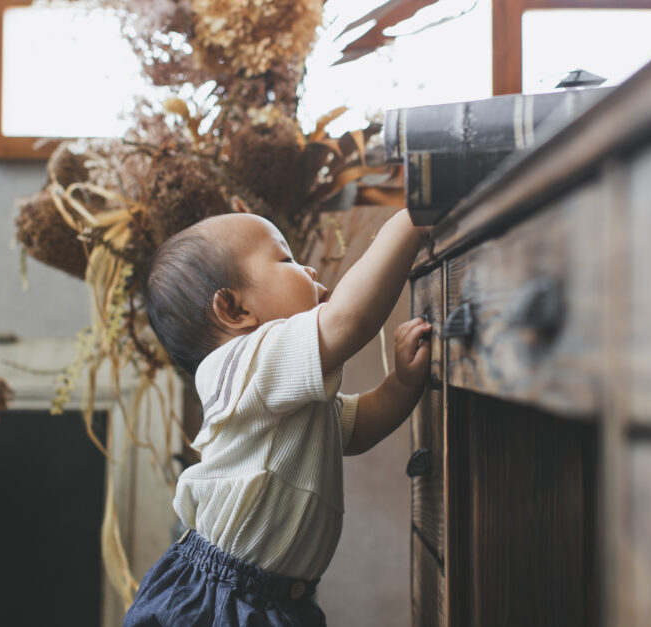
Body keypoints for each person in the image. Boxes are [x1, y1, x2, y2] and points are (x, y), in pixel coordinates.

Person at [125, 209, 431, 626]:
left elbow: (355, 429)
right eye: (286, 260)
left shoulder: (282, 391)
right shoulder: (240, 364)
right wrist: (410, 221)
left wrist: (401, 384)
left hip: (275, 599)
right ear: (233, 309)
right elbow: (347, 319)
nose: (307, 267)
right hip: (217, 599)